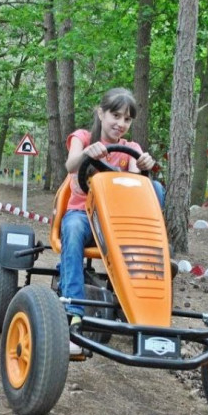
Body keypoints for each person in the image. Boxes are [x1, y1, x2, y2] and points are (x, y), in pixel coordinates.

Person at [60, 88, 159, 357]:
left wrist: (144, 165)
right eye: (115, 115)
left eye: (127, 119)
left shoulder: (130, 149)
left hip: (116, 223)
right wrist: (87, 154)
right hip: (83, 215)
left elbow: (138, 183)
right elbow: (71, 165)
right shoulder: (82, 138)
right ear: (101, 113)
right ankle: (73, 315)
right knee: (71, 229)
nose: (120, 123)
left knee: (156, 189)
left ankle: (149, 285)